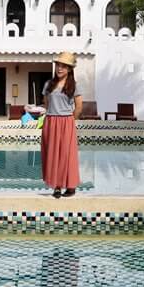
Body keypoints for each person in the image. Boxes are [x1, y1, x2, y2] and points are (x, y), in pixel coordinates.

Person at [40, 51, 82, 198]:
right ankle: (56, 187)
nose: (60, 68)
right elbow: (46, 103)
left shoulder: (74, 86)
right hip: (51, 121)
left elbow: (79, 106)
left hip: (66, 122)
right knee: (52, 154)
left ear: (70, 69)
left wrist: (70, 121)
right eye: (58, 65)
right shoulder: (48, 85)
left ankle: (70, 186)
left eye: (64, 66)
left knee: (66, 154)